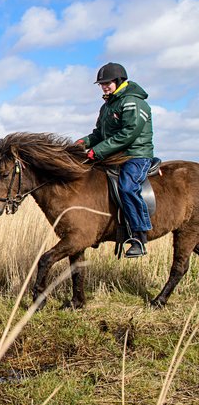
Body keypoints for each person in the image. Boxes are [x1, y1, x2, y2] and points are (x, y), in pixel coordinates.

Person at [77, 62, 154, 258]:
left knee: (128, 187)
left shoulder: (133, 102)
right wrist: (82, 143)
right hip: (115, 155)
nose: (104, 86)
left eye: (107, 82)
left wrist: (97, 151)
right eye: (101, 84)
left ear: (119, 81)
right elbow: (99, 134)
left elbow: (128, 134)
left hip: (135, 155)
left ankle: (139, 235)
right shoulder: (107, 105)